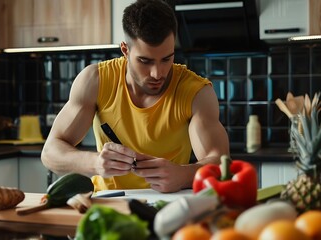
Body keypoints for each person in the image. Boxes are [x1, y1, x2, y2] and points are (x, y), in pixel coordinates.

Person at [41, 0, 230, 193]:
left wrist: (183, 176)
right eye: (145, 61)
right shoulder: (95, 80)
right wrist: (95, 163)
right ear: (125, 50)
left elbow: (220, 163)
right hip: (107, 204)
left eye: (166, 59)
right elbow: (50, 153)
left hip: (169, 206)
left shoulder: (197, 92)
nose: (158, 73)